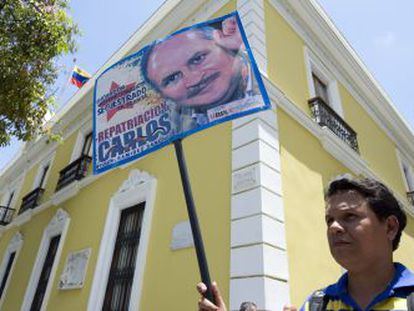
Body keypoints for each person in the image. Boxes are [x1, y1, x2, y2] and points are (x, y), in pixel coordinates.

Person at [197, 176, 414, 311]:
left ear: (390, 227)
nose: (334, 227)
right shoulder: (316, 304)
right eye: (330, 220)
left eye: (350, 216)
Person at [141, 16, 258, 133]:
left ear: (224, 43)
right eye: (172, 78)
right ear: (162, 95)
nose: (194, 80)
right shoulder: (177, 129)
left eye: (198, 58)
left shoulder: (264, 68)